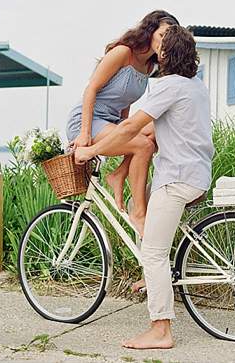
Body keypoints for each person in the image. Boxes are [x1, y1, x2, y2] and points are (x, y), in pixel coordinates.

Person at [75, 25, 214, 350]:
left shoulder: (167, 86)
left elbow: (130, 128)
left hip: (177, 177)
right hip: (197, 175)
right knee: (149, 224)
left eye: (161, 48)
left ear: (167, 55)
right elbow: (155, 125)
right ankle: (154, 281)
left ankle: (160, 330)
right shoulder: (195, 86)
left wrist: (91, 150)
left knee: (153, 253)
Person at [66, 10, 179, 237]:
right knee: (143, 145)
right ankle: (138, 212)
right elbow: (91, 90)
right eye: (162, 34)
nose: (164, 42)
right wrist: (85, 134)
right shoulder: (123, 52)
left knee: (155, 133)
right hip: (86, 120)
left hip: (111, 121)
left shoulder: (149, 67)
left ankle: (118, 175)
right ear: (150, 31)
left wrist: (125, 130)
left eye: (170, 37)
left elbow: (125, 102)